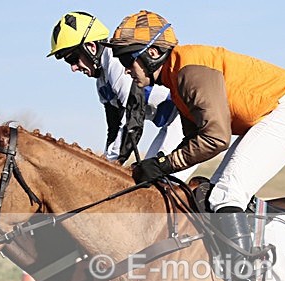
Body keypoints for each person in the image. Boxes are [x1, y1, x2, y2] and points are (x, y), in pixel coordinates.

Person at [106, 10, 285, 281]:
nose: (126, 71)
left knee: (225, 195)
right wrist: (160, 169)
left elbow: (215, 138)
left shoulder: (189, 72)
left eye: (128, 60)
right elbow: (194, 142)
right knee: (209, 194)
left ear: (152, 53)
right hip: (270, 114)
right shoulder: (176, 79)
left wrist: (163, 164)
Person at [47, 11, 196, 180]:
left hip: (185, 119)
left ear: (91, 47)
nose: (73, 68)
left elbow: (133, 120)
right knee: (145, 182)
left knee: (155, 182)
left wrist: (107, 169)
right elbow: (114, 127)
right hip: (171, 123)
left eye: (73, 58)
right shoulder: (102, 82)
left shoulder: (116, 62)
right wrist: (104, 161)